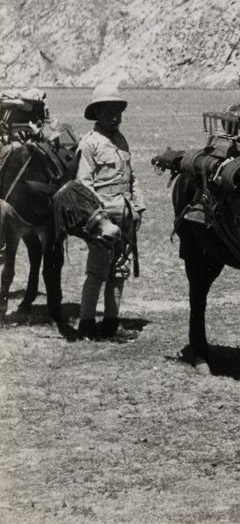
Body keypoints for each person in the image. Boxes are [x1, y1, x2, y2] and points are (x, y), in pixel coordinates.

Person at [75, 83, 144, 341]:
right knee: (97, 273)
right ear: (97, 113)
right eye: (109, 111)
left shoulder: (121, 140)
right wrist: (102, 222)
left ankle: (111, 324)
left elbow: (131, 176)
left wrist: (139, 207)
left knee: (119, 271)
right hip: (103, 220)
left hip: (126, 217)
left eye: (118, 111)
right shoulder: (90, 144)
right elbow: (84, 187)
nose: (115, 116)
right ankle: (86, 325)